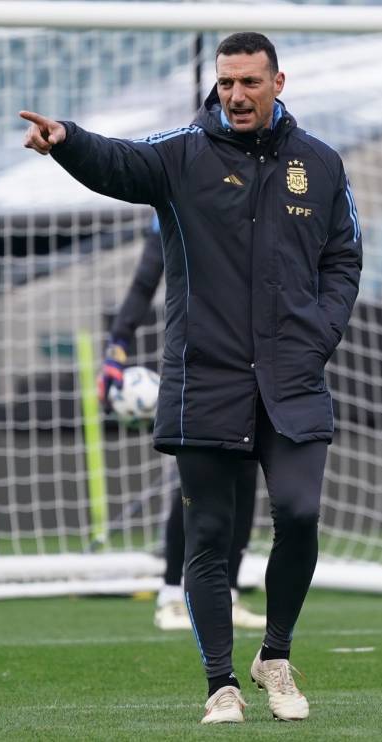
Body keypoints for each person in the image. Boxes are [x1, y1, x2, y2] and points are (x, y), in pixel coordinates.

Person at [21, 31, 361, 724]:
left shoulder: (320, 165)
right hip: (206, 379)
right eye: (226, 82)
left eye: (250, 83)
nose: (236, 94)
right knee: (209, 535)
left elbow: (343, 257)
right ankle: (220, 685)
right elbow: (121, 164)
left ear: (278, 83)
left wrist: (320, 333)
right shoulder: (183, 154)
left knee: (298, 514)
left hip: (291, 378)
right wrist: (68, 141)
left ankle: (275, 655)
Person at [98, 214, 266, 632]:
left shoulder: (252, 199)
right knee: (198, 472)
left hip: (248, 354)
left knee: (246, 469)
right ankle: (172, 594)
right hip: (197, 357)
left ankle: (227, 594)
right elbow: (144, 280)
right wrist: (118, 343)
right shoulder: (177, 202)